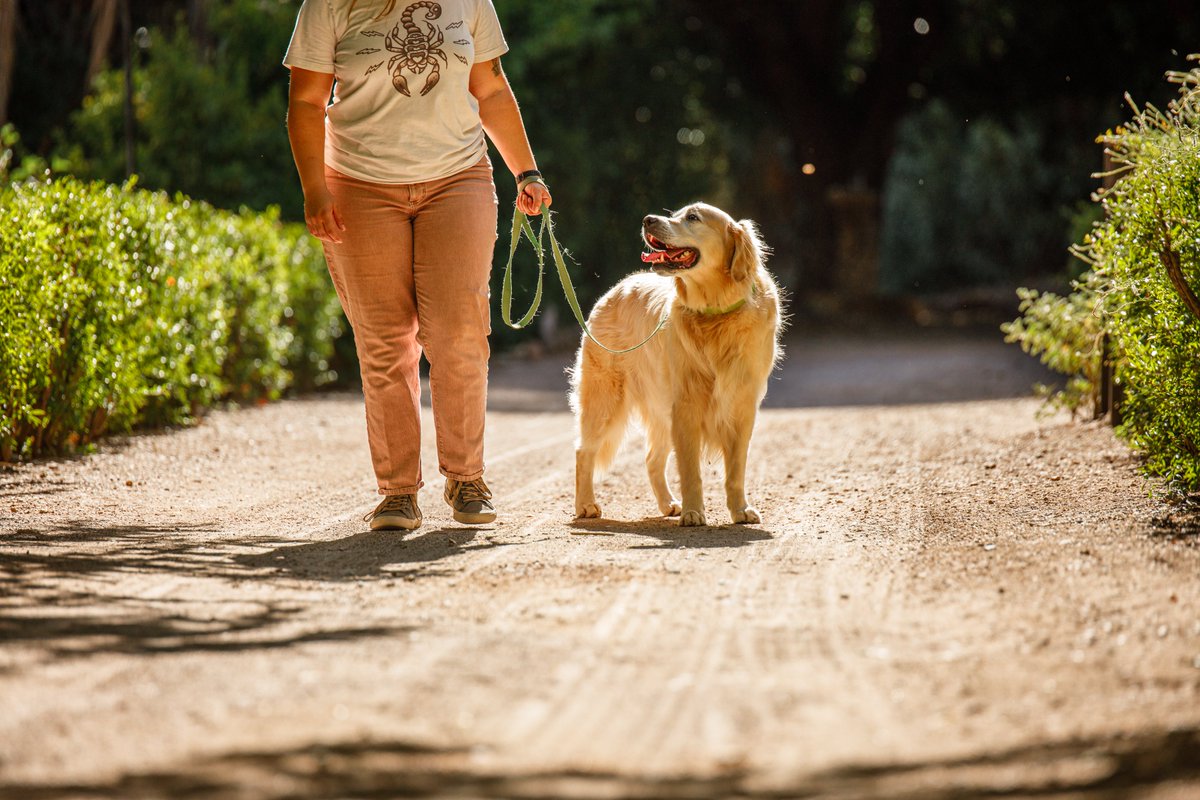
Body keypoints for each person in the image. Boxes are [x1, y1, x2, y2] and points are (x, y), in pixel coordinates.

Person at [283, 0, 551, 531]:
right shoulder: (331, 5)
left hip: (457, 177)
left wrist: (526, 172)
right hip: (359, 184)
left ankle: (466, 477)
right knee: (386, 339)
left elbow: (492, 88)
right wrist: (315, 188)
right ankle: (399, 492)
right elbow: (306, 100)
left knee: (458, 332)